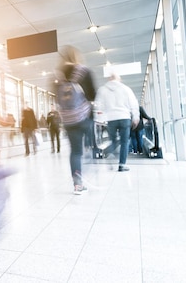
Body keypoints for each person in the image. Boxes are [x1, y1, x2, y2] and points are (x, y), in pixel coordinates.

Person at [55, 48, 96, 195]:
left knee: (75, 152)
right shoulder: (84, 71)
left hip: (68, 120)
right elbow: (92, 95)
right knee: (88, 143)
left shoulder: (58, 77)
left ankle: (77, 184)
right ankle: (91, 149)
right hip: (83, 117)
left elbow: (57, 99)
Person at [95, 72, 139, 172]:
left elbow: (99, 105)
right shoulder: (126, 88)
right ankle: (122, 165)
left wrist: (99, 119)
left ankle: (110, 153)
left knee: (113, 140)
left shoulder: (102, 89)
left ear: (109, 79)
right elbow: (133, 103)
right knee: (124, 142)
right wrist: (135, 116)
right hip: (124, 117)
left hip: (111, 119)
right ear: (119, 79)